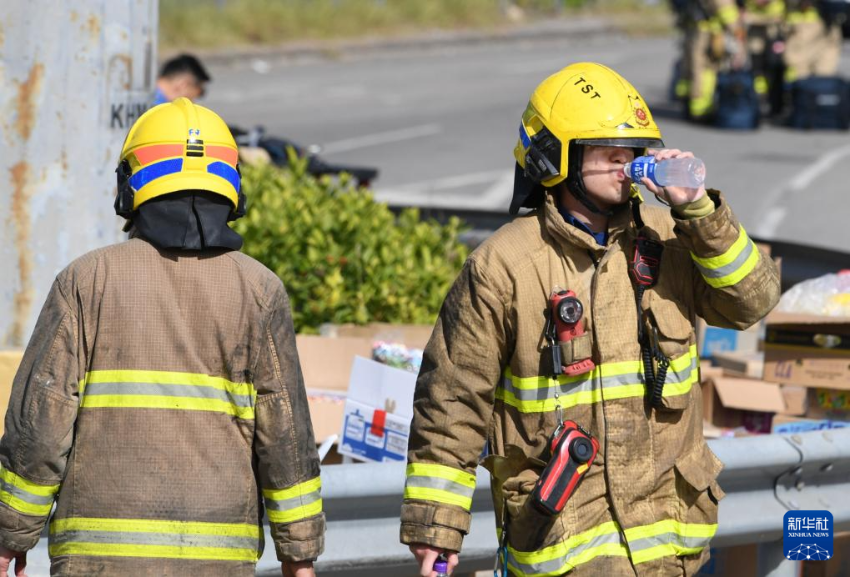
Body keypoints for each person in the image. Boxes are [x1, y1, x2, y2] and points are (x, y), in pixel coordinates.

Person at [400, 62, 780, 577]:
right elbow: (451, 401)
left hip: (672, 558)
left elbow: (751, 302)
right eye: (607, 151)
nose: (626, 163)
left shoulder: (672, 237)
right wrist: (436, 531)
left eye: (632, 151)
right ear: (555, 156)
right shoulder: (504, 265)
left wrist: (699, 213)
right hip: (565, 549)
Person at [0, 98, 324, 577]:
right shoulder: (260, 289)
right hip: (219, 560)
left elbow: (41, 420)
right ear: (232, 185)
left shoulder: (86, 280)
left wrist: (12, 534)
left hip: (99, 558)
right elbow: (286, 435)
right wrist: (299, 555)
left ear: (131, 185)